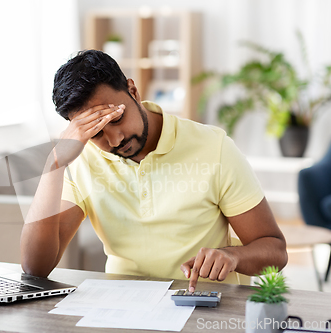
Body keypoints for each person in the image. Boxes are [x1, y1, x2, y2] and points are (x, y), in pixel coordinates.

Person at [20, 50, 287, 291]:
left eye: (117, 118)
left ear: (133, 91)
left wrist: (233, 256)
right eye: (96, 132)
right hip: (121, 307)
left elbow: (275, 250)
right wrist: (54, 164)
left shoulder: (214, 148)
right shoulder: (82, 158)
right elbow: (36, 268)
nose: (115, 140)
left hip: (201, 303)